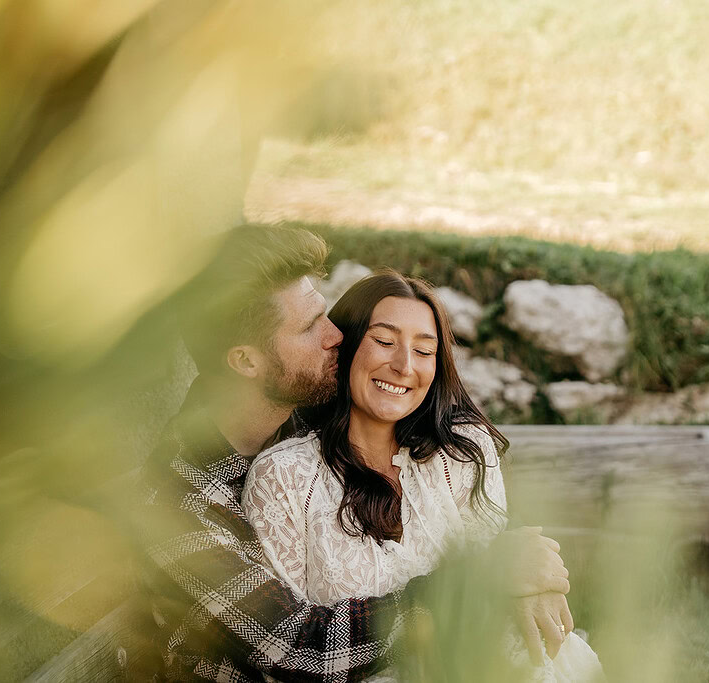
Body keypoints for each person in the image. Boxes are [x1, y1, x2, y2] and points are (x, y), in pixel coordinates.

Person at [139, 225, 571, 681]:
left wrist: (527, 575)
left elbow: (444, 449)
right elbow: (303, 648)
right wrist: (478, 579)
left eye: (324, 314)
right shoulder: (176, 505)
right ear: (246, 361)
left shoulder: (303, 408)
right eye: (309, 327)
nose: (336, 336)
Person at [241, 271, 603, 681]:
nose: (403, 366)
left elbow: (507, 573)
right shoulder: (284, 477)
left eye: (424, 350)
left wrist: (539, 580)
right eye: (384, 341)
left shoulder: (463, 453)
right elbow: (296, 651)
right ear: (346, 345)